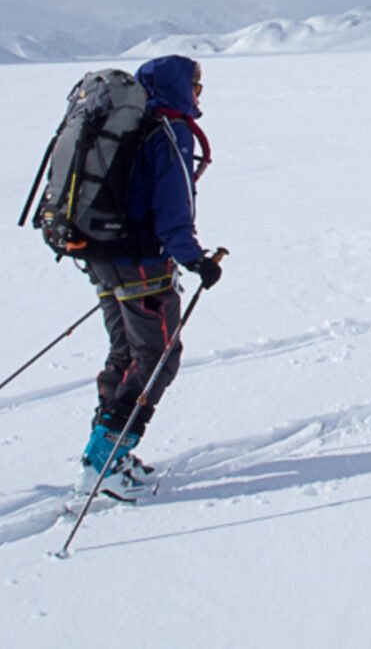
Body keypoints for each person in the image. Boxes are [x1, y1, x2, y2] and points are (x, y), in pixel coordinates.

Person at [77, 54, 221, 500]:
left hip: (103, 255)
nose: (198, 96)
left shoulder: (129, 125)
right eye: (197, 87)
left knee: (126, 352)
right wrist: (197, 261)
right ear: (181, 88)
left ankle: (101, 454)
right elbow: (173, 214)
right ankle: (108, 459)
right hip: (142, 263)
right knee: (158, 357)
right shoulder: (167, 131)